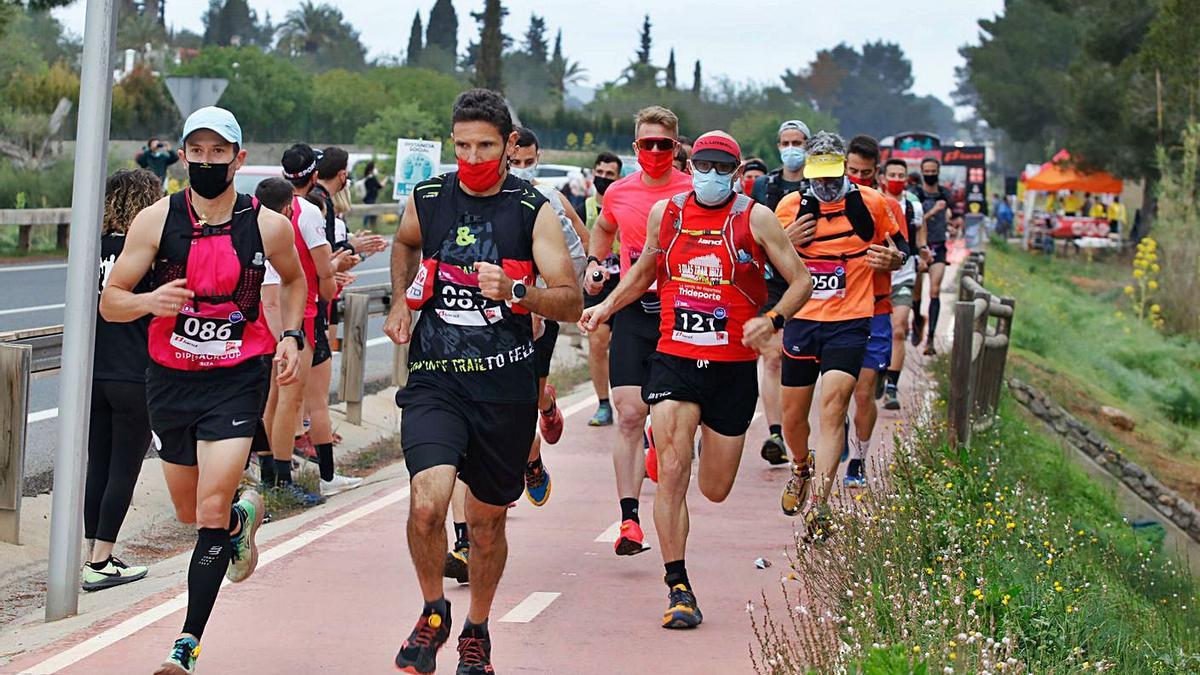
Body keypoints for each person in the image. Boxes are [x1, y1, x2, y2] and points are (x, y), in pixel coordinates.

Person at [100, 107, 306, 675]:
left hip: (238, 377)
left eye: (220, 153)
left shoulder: (268, 225)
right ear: (182, 156)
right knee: (193, 510)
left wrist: (290, 334)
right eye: (199, 152)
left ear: (238, 159)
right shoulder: (153, 221)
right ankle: (242, 519)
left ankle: (186, 644)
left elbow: (294, 278)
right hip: (170, 380)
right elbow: (110, 300)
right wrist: (148, 302)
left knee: (208, 508)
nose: (208, 162)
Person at [383, 88, 581, 675]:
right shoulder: (427, 196)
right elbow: (404, 242)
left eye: (486, 146)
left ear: (508, 145)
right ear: (452, 142)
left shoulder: (531, 209)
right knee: (428, 504)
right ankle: (433, 612)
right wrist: (402, 298)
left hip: (505, 387)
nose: (472, 156)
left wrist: (518, 292)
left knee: (488, 521)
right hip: (436, 380)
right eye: (463, 144)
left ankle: (477, 630)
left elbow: (570, 300)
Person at [580, 131, 812, 628]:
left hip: (731, 368)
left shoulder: (755, 217)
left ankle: (707, 442)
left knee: (715, 488)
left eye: (719, 168)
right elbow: (644, 271)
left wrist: (771, 321)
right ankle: (678, 587)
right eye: (701, 165)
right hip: (675, 357)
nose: (708, 175)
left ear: (735, 172)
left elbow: (802, 281)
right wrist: (605, 307)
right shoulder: (671, 213)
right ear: (692, 164)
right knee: (673, 467)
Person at [772, 131, 905, 538]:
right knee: (794, 418)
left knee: (833, 407)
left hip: (851, 320)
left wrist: (892, 259)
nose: (826, 185)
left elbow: (901, 251)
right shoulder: (789, 207)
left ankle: (820, 507)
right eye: (818, 176)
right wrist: (785, 244)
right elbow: (768, 264)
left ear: (845, 169)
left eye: (834, 174)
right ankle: (801, 467)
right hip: (803, 319)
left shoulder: (873, 203)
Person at [584, 106, 693, 556]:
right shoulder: (620, 192)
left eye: (662, 144)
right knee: (629, 413)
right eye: (646, 144)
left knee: (672, 424)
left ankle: (659, 451)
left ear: (676, 146)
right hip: (633, 308)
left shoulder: (693, 191)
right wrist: (596, 262)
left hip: (682, 313)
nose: (653, 151)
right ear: (635, 148)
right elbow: (603, 229)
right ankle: (629, 520)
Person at [82, 169, 161, 592]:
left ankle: (89, 552)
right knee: (124, 468)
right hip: (135, 369)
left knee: (99, 461)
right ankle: (102, 560)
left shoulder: (90, 247)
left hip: (92, 369)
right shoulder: (145, 249)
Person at [508, 125, 590, 504]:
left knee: (527, 398)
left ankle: (543, 412)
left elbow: (582, 240)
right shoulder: (484, 201)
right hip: (497, 316)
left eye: (528, 161)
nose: (521, 168)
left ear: (538, 158)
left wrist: (574, 283)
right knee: (508, 404)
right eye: (514, 162)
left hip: (540, 314)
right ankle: (521, 463)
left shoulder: (550, 199)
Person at [842, 136, 907, 488]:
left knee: (864, 392)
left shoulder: (888, 206)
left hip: (875, 308)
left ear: (876, 172)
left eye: (866, 173)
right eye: (853, 171)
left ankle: (858, 458)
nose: (859, 179)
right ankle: (839, 432)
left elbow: (906, 252)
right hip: (833, 311)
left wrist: (895, 258)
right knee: (836, 391)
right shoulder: (827, 202)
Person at [749, 119, 811, 465]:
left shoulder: (821, 185)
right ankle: (775, 433)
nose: (792, 148)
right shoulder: (764, 186)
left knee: (803, 359)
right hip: (773, 281)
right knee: (772, 356)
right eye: (786, 142)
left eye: (798, 141)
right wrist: (787, 239)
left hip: (815, 281)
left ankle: (821, 426)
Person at [880, 159, 925, 411]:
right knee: (876, 330)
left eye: (901, 174)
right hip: (876, 276)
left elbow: (920, 231)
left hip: (904, 274)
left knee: (898, 328)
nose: (897, 178)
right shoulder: (873, 200)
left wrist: (923, 251)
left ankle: (892, 386)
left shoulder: (913, 204)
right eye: (893, 174)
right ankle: (876, 370)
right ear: (883, 177)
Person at [582, 152, 623, 427]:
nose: (603, 178)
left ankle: (630, 403)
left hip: (627, 281)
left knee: (624, 347)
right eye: (600, 172)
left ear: (618, 177)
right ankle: (603, 404)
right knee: (597, 344)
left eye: (610, 174)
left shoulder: (623, 202)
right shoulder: (583, 205)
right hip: (598, 283)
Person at [912, 157, 952, 355]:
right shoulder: (916, 194)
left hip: (939, 247)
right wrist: (934, 211)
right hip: (921, 247)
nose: (929, 174)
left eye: (932, 170)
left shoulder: (945, 193)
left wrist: (954, 221)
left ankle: (931, 339)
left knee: (934, 291)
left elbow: (954, 213)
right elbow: (915, 221)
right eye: (926, 171)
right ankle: (917, 319)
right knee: (916, 293)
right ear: (921, 172)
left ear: (938, 171)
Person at [362, 161, 385, 228]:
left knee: (370, 212)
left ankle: (370, 226)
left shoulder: (367, 178)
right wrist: (384, 181)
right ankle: (366, 226)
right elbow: (379, 186)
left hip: (367, 197)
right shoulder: (372, 178)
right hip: (370, 198)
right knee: (369, 212)